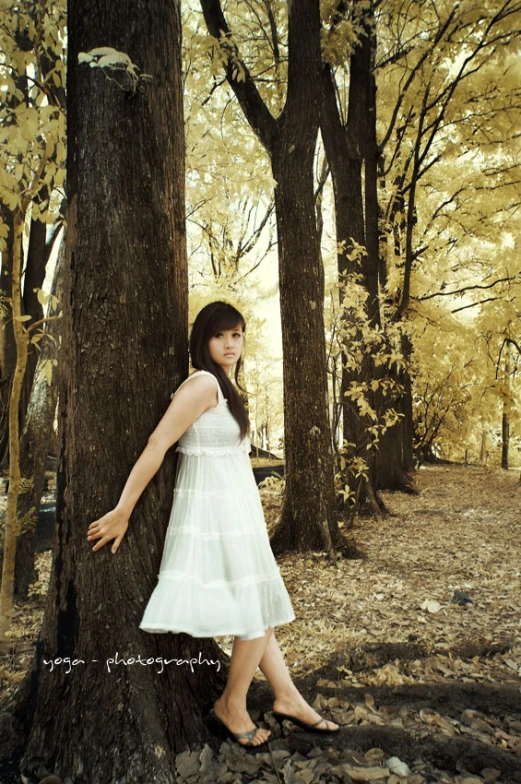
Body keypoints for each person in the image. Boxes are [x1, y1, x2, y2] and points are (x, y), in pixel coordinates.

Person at [87, 300, 339, 748]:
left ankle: (287, 696)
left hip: (236, 512)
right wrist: (124, 509)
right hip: (212, 514)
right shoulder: (203, 384)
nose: (230, 344)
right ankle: (232, 705)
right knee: (255, 610)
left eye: (237, 335)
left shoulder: (226, 386)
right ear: (203, 341)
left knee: (257, 605)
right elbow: (158, 442)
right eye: (220, 335)